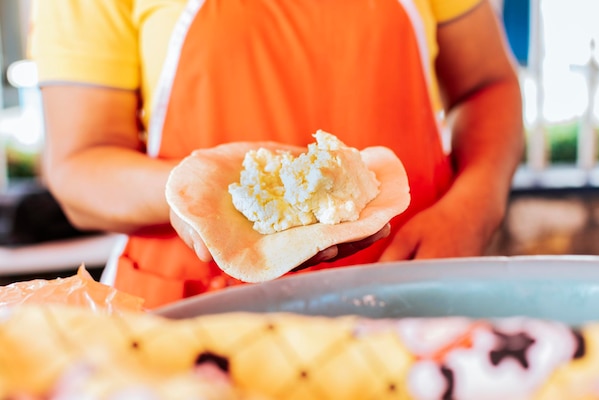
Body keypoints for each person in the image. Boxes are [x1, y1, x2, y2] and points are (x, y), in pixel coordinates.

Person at [30, 0, 524, 309]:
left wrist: (476, 206)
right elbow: (81, 162)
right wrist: (197, 195)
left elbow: (487, 85)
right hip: (196, 319)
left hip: (413, 293)